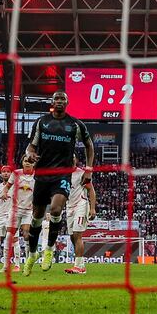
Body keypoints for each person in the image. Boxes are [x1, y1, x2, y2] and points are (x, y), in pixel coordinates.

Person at [22, 91, 94, 276]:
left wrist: (88, 168)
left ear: (67, 102)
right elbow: (31, 145)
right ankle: (32, 254)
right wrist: (29, 154)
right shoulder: (41, 122)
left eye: (63, 99)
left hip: (62, 175)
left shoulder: (75, 124)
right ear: (52, 102)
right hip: (43, 174)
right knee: (37, 217)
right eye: (57, 99)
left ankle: (49, 250)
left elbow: (89, 145)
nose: (60, 101)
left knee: (55, 210)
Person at [0, 157, 37, 273]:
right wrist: (4, 192)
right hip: (15, 210)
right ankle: (6, 266)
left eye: (30, 162)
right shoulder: (16, 173)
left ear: (34, 164)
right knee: (9, 235)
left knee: (26, 234)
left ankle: (27, 263)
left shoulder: (37, 176)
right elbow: (7, 187)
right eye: (25, 161)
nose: (27, 163)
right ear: (22, 162)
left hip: (28, 210)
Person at [65, 156, 97, 275]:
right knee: (72, 236)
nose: (71, 159)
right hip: (69, 207)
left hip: (81, 204)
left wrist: (92, 208)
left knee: (78, 234)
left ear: (76, 160)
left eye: (73, 157)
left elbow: (91, 190)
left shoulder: (81, 173)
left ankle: (78, 266)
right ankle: (81, 263)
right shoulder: (62, 175)